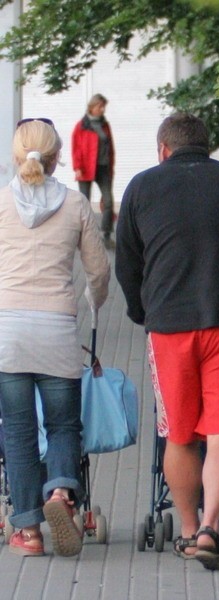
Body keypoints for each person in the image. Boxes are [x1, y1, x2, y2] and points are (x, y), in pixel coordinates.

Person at [115, 113, 219, 570]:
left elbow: (127, 263)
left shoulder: (142, 187)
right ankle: (211, 527)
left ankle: (186, 529)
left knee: (180, 434)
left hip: (170, 326)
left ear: (163, 149)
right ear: (206, 147)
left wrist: (142, 311)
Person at [0, 119, 110, 556]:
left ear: (15, 154)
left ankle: (27, 532)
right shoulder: (75, 203)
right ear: (57, 156)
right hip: (57, 331)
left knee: (18, 432)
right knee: (64, 424)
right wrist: (93, 301)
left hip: (8, 332)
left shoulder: (0, 203)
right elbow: (99, 270)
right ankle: (61, 493)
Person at [71, 93, 116, 248]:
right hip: (85, 168)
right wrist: (77, 167)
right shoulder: (82, 125)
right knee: (84, 202)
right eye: (100, 106)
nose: (102, 109)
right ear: (92, 106)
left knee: (108, 201)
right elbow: (75, 147)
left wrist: (111, 167)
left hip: (103, 168)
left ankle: (106, 234)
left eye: (104, 107)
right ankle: (83, 236)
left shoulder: (105, 125)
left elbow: (111, 148)